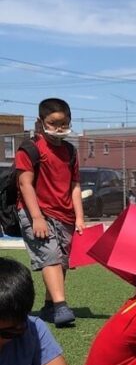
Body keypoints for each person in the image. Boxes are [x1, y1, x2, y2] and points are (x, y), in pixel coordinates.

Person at [15, 98, 84, 327]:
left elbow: (75, 185)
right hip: (36, 212)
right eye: (53, 123)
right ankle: (61, 306)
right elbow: (25, 184)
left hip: (65, 215)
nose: (58, 128)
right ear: (40, 122)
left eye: (64, 123)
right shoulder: (30, 148)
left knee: (61, 261)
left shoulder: (70, 151)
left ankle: (48, 306)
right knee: (51, 256)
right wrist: (36, 218)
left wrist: (80, 217)